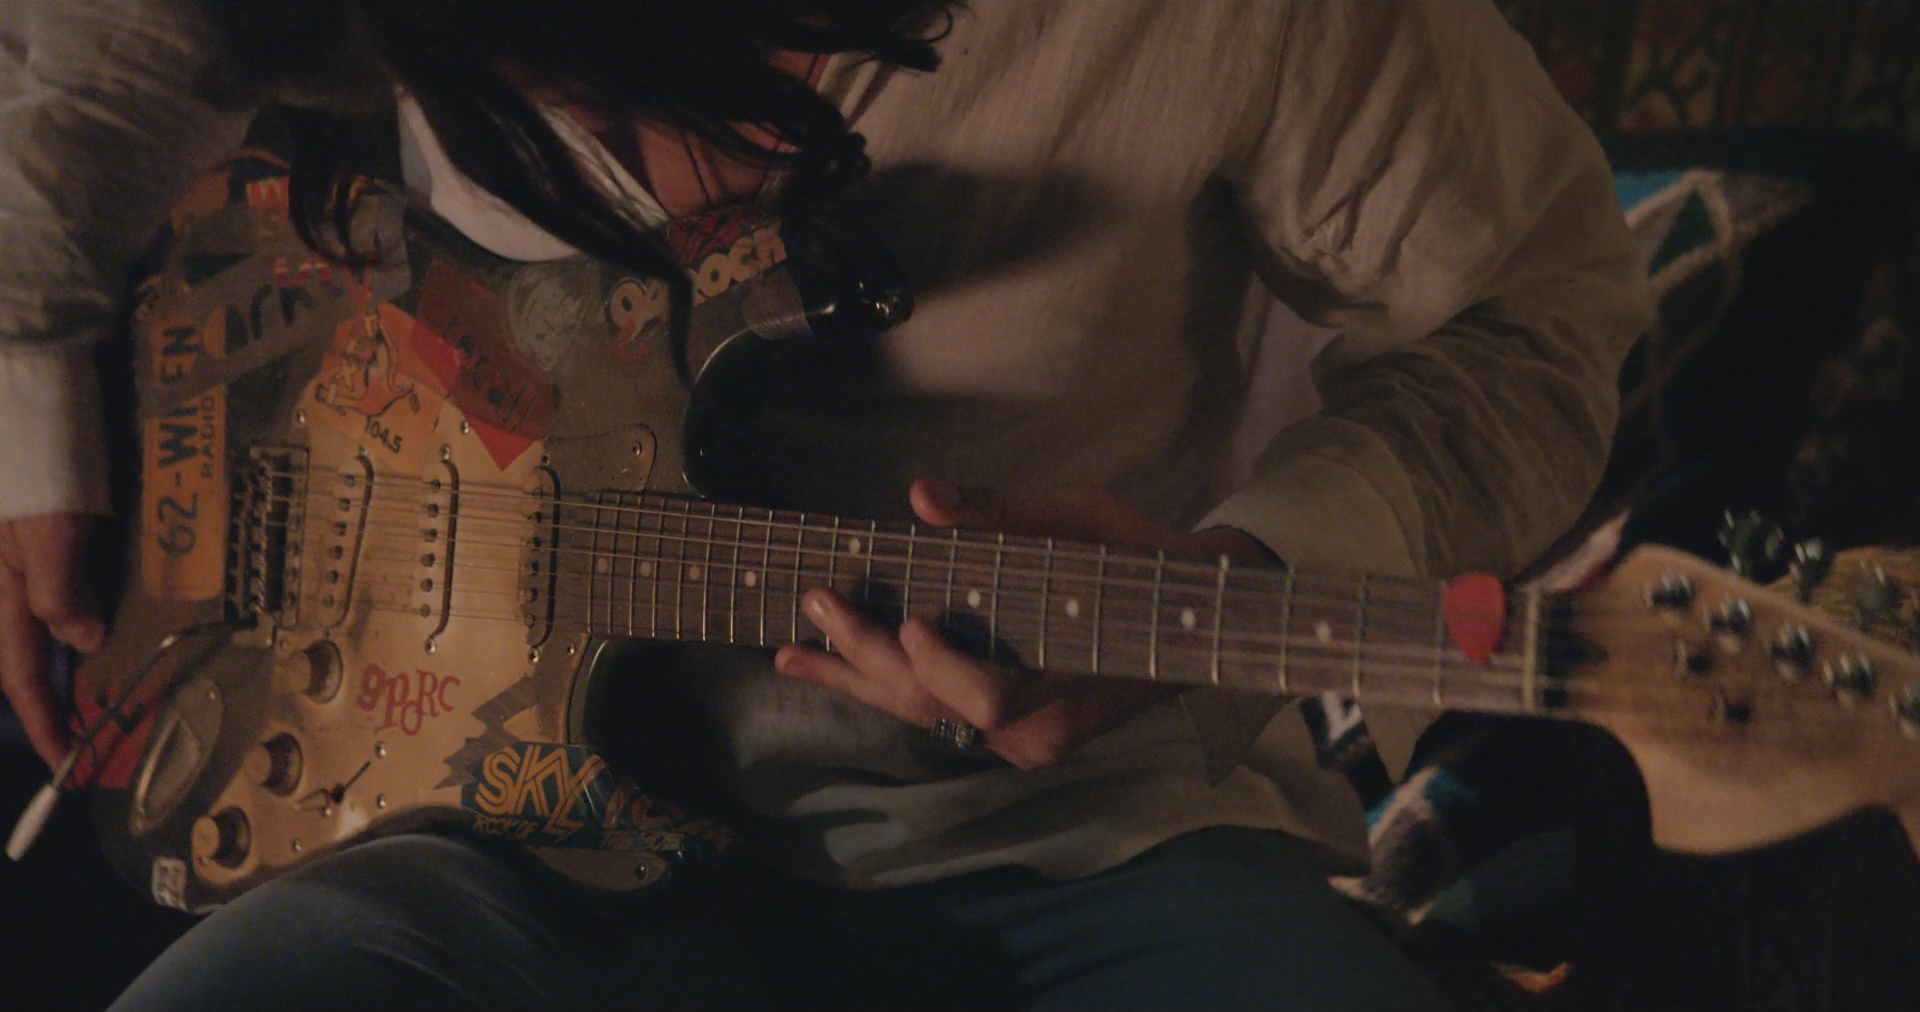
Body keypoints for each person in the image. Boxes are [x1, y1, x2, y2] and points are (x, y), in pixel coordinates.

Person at [0, 1, 1654, 1008]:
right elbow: (101, 50)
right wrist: (32, 407)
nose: (590, 135)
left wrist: (1240, 574)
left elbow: (1541, 315)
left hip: (1083, 844)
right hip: (491, 833)